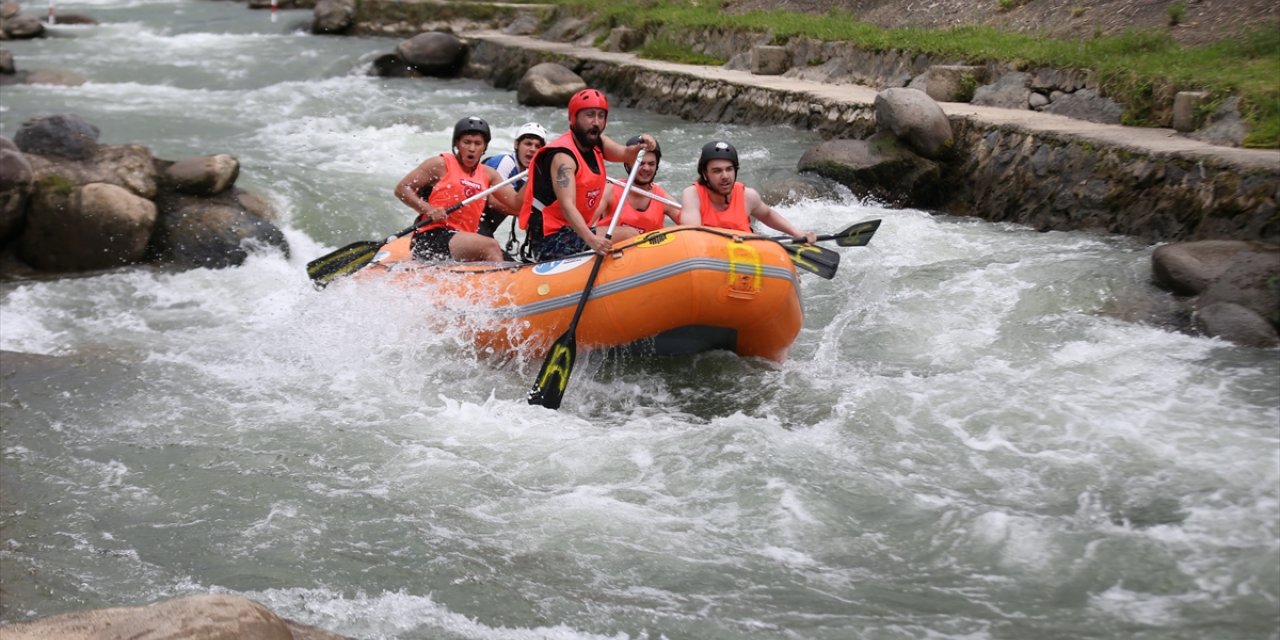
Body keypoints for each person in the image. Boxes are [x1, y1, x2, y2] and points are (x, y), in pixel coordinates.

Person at [516, 88, 657, 261]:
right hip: (550, 239)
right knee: (628, 235)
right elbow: (567, 207)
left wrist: (643, 144)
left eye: (600, 116)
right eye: (589, 115)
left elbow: (626, 154)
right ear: (573, 118)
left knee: (631, 233)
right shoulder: (563, 158)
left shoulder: (598, 143)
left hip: (574, 231)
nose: (596, 122)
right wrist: (592, 241)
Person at [393, 116, 522, 263]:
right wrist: (427, 209)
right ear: (457, 144)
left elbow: (516, 203)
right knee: (490, 246)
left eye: (477, 143)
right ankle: (496, 285)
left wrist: (533, 174)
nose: (472, 148)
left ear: (484, 147)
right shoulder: (440, 164)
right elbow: (402, 188)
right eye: (467, 142)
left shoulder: (489, 174)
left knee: (510, 262)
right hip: (432, 238)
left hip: (463, 240)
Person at [679, 140, 817, 244]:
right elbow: (692, 234)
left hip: (745, 256)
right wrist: (727, 238)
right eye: (717, 171)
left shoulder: (747, 196)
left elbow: (768, 215)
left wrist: (796, 233)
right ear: (705, 174)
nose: (725, 176)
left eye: (729, 169)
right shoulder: (692, 195)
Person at [594, 135, 680, 242]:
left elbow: (691, 225)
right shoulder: (610, 191)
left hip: (646, 255)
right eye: (640, 163)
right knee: (630, 234)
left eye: (651, 164)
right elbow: (583, 226)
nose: (646, 168)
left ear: (657, 166)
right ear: (627, 164)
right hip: (610, 251)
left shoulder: (663, 198)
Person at [477, 121, 547, 239]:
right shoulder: (505, 161)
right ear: (516, 145)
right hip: (470, 222)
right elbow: (492, 201)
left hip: (485, 228)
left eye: (537, 146)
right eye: (528, 144)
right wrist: (525, 214)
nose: (532, 149)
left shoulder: (532, 174)